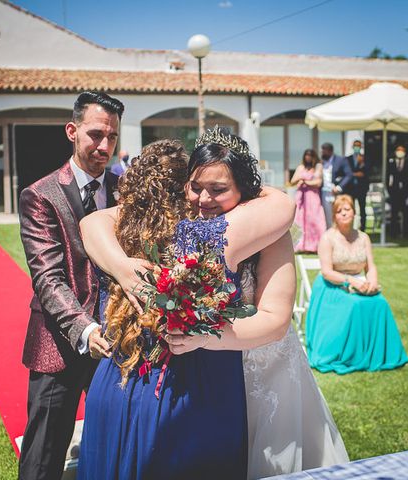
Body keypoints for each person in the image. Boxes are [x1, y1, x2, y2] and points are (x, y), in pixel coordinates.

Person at [77, 129, 348, 479]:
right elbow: (95, 220)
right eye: (195, 186)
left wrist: (207, 336)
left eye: (218, 189)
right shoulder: (181, 223)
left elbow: (276, 318)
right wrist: (123, 268)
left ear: (246, 191)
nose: (203, 198)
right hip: (208, 377)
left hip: (265, 372)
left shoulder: (266, 227)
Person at [17, 91, 123, 480]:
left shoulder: (124, 188)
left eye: (112, 137)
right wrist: (84, 328)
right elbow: (48, 277)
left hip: (117, 345)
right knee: (44, 458)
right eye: (96, 134)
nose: (105, 145)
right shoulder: (40, 195)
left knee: (114, 445)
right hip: (58, 345)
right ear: (72, 131)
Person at [306, 195, 408, 374]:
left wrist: (372, 281)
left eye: (347, 209)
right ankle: (351, 354)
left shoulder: (363, 238)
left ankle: (378, 355)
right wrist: (351, 280)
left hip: (358, 282)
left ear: (354, 212)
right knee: (354, 304)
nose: (344, 213)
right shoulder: (328, 238)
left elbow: (370, 266)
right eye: (339, 211)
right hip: (332, 286)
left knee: (380, 303)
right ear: (334, 216)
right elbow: (327, 272)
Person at [290, 148, 327, 252]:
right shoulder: (301, 167)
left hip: (312, 196)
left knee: (314, 219)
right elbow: (292, 181)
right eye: (306, 155)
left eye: (310, 155)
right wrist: (300, 179)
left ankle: (316, 245)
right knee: (299, 220)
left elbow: (318, 182)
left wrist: (306, 182)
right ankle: (299, 246)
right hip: (301, 196)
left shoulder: (318, 167)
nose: (308, 157)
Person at [320, 142, 353, 228]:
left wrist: (339, 187)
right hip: (323, 193)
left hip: (336, 193)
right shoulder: (321, 162)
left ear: (330, 151)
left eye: (324, 151)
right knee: (326, 216)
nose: (322, 153)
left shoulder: (341, 160)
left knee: (338, 213)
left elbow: (349, 175)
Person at [386, 144, 408, 237]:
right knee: (394, 214)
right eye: (398, 150)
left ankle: (407, 233)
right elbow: (388, 178)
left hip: (405, 192)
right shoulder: (391, 163)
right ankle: (394, 233)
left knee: (406, 213)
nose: (400, 152)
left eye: (402, 150)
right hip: (394, 192)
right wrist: (389, 190)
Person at [343, 139, 369, 231]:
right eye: (355, 145)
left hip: (362, 188)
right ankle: (351, 227)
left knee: (362, 209)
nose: (357, 147)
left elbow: (366, 173)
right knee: (350, 209)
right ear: (352, 147)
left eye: (358, 146)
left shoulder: (365, 159)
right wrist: (355, 174)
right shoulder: (347, 159)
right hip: (350, 188)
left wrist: (362, 163)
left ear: (361, 147)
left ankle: (363, 228)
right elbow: (346, 172)